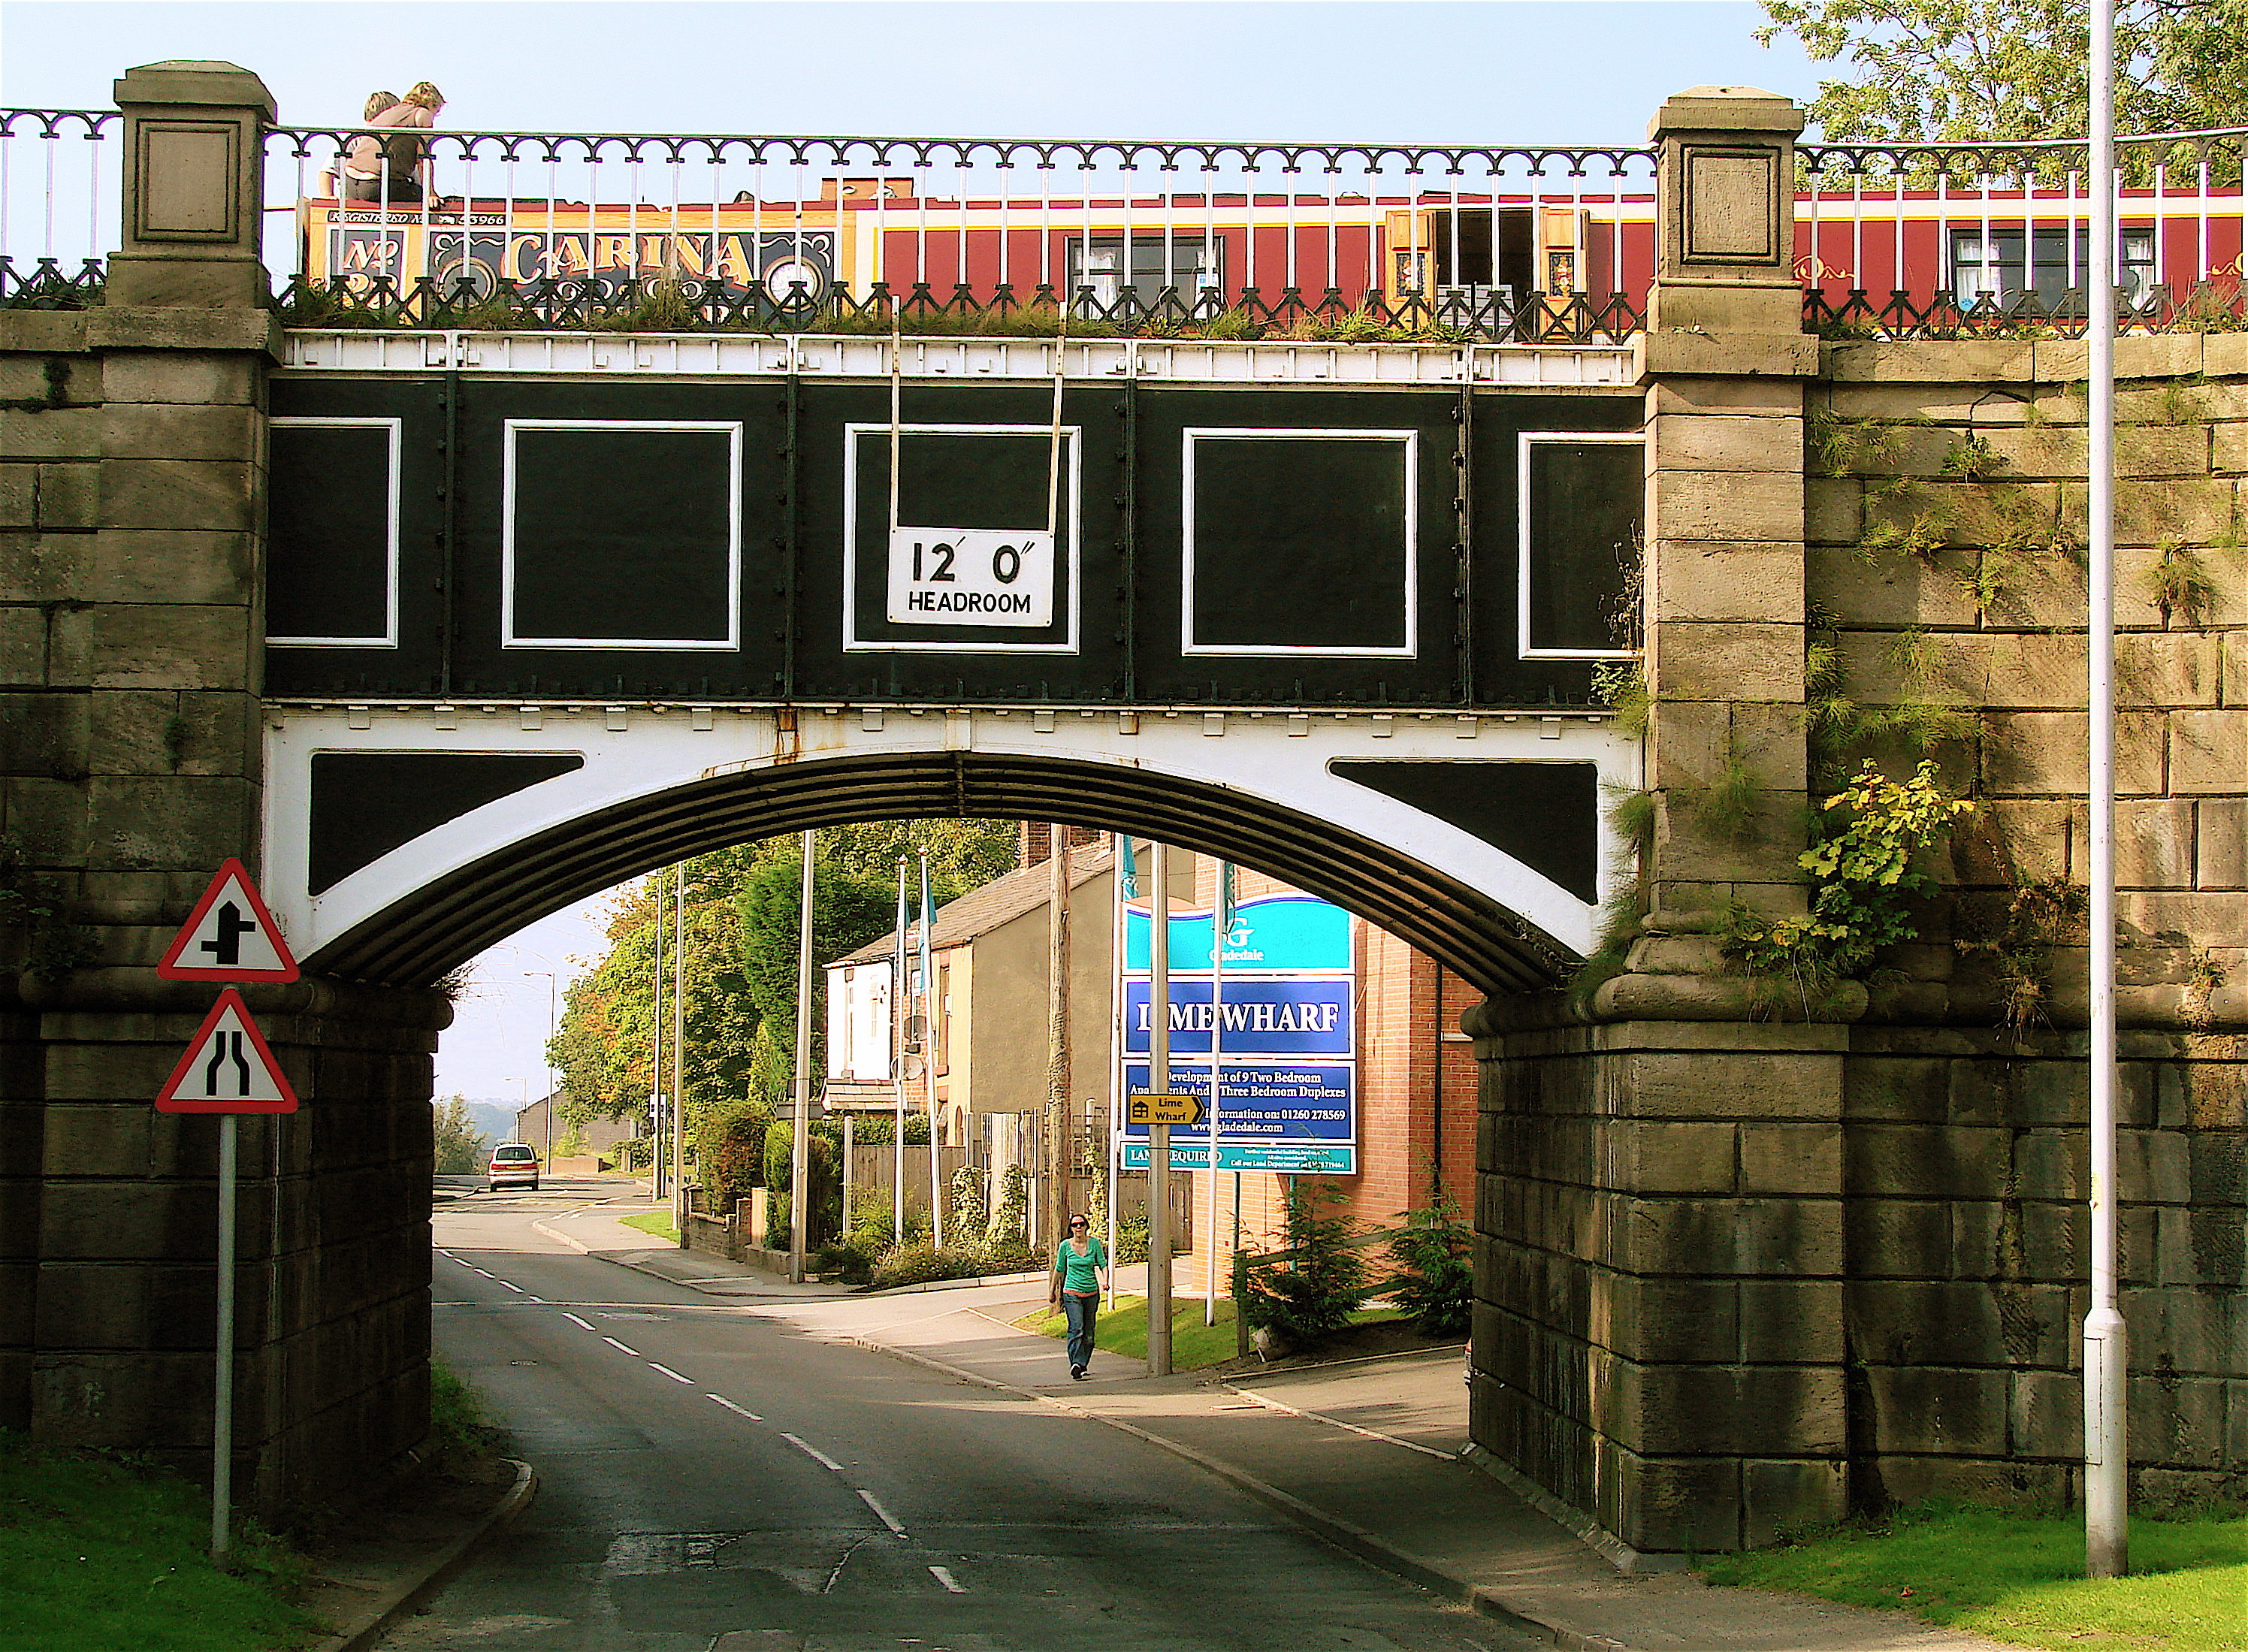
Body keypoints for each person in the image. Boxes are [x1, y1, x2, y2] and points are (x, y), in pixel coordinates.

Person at [343, 82, 444, 204]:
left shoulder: (392, 111)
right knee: (420, 197)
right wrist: (430, 193)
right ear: (431, 103)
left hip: (350, 182)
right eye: (437, 112)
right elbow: (424, 158)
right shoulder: (422, 114)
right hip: (375, 185)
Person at [1048, 1213, 1109, 1381]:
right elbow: (1059, 1269)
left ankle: (1082, 1363)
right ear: (1071, 1228)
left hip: (1091, 1292)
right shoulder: (1065, 1246)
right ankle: (1075, 1363)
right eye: (1075, 1225)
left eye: (1081, 1224)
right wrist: (1052, 1291)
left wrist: (1105, 1281)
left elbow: (1103, 1264)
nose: (1078, 1228)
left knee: (1089, 1333)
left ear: (1086, 1227)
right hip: (1072, 1292)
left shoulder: (1094, 1244)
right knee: (1077, 1327)